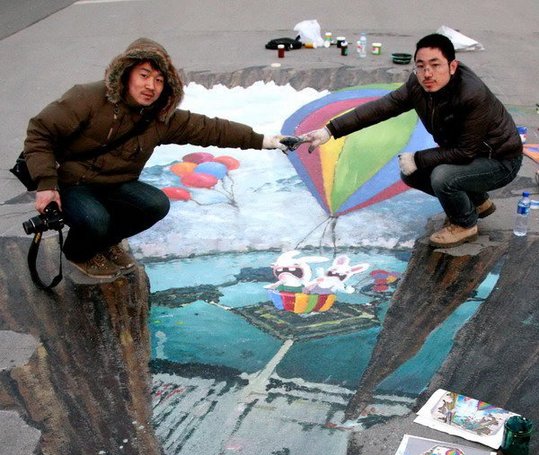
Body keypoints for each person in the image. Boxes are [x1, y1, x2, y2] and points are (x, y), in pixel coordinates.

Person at [23, 37, 286, 280]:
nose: (151, 86)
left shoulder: (159, 117)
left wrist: (264, 140)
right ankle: (79, 253)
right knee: (95, 219)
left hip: (115, 183)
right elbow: (40, 132)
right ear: (126, 73)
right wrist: (46, 185)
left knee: (156, 204)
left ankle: (104, 243)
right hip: (73, 182)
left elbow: (211, 129)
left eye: (159, 80)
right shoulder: (88, 97)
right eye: (144, 75)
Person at [302, 33, 523, 249]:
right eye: (421, 66)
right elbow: (380, 109)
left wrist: (418, 158)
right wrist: (330, 130)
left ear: (452, 66)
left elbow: (465, 152)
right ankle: (478, 201)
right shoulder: (417, 85)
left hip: (500, 161)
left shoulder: (471, 94)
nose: (427, 73)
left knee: (441, 177)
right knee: (412, 173)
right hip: (469, 156)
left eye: (435, 65)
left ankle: (465, 224)